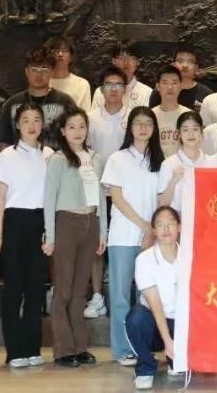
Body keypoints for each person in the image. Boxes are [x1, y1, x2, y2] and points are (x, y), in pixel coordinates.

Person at [101, 107, 168, 365]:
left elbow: (161, 199)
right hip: (123, 237)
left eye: (148, 123)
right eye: (138, 123)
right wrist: (144, 225)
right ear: (130, 128)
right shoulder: (117, 159)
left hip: (151, 241)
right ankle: (122, 350)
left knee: (147, 297)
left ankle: (144, 348)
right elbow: (117, 198)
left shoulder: (158, 160)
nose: (143, 128)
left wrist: (153, 232)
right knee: (120, 297)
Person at [0, 102, 52, 368]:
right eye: (26, 120)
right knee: (14, 288)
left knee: (36, 288)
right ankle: (14, 351)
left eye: (36, 120)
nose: (32, 125)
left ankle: (32, 347)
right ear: (17, 125)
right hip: (13, 222)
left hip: (41, 222)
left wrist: (51, 232)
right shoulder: (7, 156)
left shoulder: (50, 155)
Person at [44, 110, 107, 368]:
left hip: (90, 223)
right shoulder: (58, 159)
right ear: (63, 131)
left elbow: (101, 197)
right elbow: (49, 198)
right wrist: (50, 235)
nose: (78, 132)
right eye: (72, 127)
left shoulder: (95, 158)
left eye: (82, 126)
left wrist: (103, 231)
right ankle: (63, 349)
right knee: (64, 290)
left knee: (81, 290)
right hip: (66, 223)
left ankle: (80, 347)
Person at [85, 66, 129, 320]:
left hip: (125, 193)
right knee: (97, 246)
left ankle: (127, 294)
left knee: (123, 244)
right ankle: (97, 296)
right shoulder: (90, 119)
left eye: (118, 84)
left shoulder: (133, 116)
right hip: (98, 191)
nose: (114, 89)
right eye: (109, 84)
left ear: (125, 89)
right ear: (101, 89)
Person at [126, 206, 182, 390]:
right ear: (154, 231)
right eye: (160, 224)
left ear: (179, 227)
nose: (166, 229)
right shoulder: (144, 259)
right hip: (154, 326)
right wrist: (168, 341)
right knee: (136, 317)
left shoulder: (189, 257)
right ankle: (145, 368)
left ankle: (177, 361)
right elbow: (155, 304)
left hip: (181, 325)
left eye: (170, 223)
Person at [0, 47, 78, 151]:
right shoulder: (11, 104)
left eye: (44, 69)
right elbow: (3, 143)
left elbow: (76, 138)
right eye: (34, 69)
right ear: (26, 72)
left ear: (52, 72)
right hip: (19, 159)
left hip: (57, 159)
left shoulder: (65, 102)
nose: (39, 74)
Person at [158, 111, 210, 210]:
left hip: (205, 218)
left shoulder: (211, 163)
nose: (191, 134)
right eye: (185, 130)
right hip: (178, 218)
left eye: (195, 129)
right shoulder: (169, 164)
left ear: (201, 132)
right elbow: (162, 203)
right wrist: (173, 180)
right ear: (179, 134)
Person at [91, 40, 152, 110]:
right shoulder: (100, 92)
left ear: (138, 62)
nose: (126, 63)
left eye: (131, 58)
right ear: (113, 61)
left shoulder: (147, 93)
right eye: (121, 57)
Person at [150, 65, 192, 157]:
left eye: (174, 83)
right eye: (165, 83)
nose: (170, 87)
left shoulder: (189, 116)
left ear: (181, 86)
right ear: (158, 86)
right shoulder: (150, 116)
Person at [47, 35, 92, 111]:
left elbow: (86, 114)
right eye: (56, 51)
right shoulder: (42, 82)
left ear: (71, 57)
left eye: (64, 51)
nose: (60, 54)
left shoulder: (82, 84)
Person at [174, 47, 212, 112]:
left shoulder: (206, 94)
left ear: (196, 68)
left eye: (190, 62)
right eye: (180, 61)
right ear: (174, 65)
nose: (185, 65)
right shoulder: (162, 90)